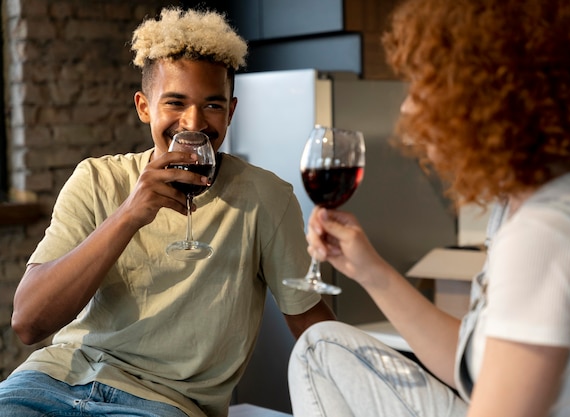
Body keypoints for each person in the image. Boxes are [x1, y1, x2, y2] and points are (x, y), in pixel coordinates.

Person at [287, 0, 570, 416]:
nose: (407, 108)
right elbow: (471, 367)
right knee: (320, 347)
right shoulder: (543, 202)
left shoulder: (545, 236)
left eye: (422, 85)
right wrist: (370, 271)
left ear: (486, 93)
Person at [0, 7, 335, 417]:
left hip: (164, 403)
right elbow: (29, 323)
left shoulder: (265, 198)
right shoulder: (96, 179)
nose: (194, 123)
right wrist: (130, 214)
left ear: (230, 112)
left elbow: (309, 321)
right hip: (50, 382)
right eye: (175, 102)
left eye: (212, 106)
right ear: (144, 107)